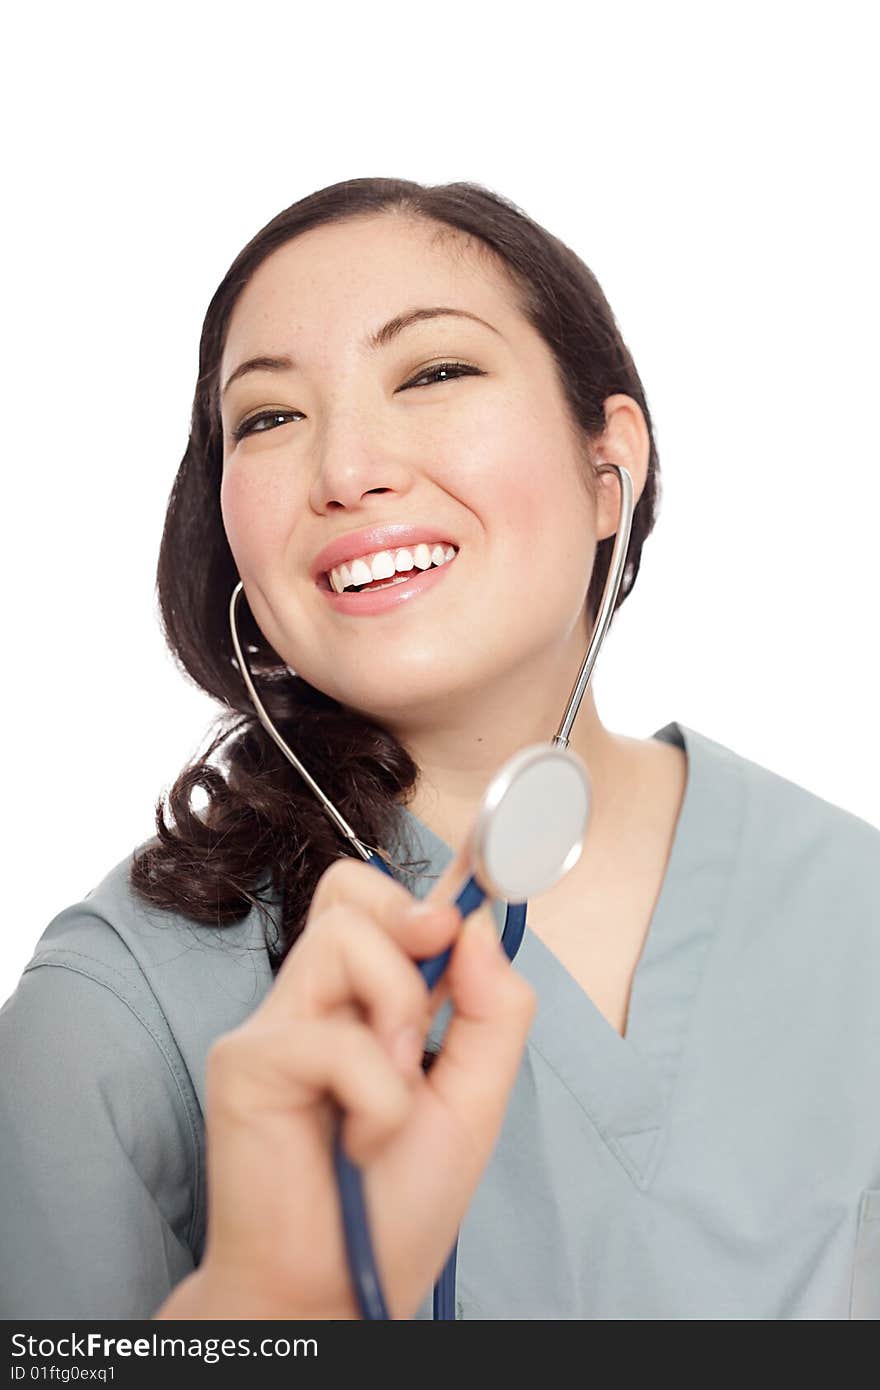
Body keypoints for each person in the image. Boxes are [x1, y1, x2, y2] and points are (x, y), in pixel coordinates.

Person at [1, 177, 878, 1321]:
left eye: (433, 373)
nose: (346, 469)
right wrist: (273, 1305)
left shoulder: (850, 903)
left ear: (608, 463)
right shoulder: (111, 1016)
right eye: (268, 417)